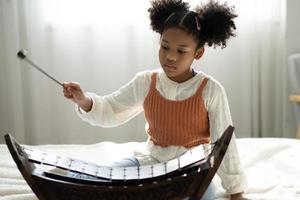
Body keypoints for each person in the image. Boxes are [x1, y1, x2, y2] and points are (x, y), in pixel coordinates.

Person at [63, 0, 247, 199]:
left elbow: (225, 144)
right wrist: (83, 100)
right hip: (151, 163)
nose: (170, 57)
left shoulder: (211, 90)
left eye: (181, 51)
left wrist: (236, 191)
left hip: (192, 170)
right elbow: (111, 109)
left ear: (198, 53)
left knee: (200, 195)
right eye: (165, 47)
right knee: (102, 181)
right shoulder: (146, 82)